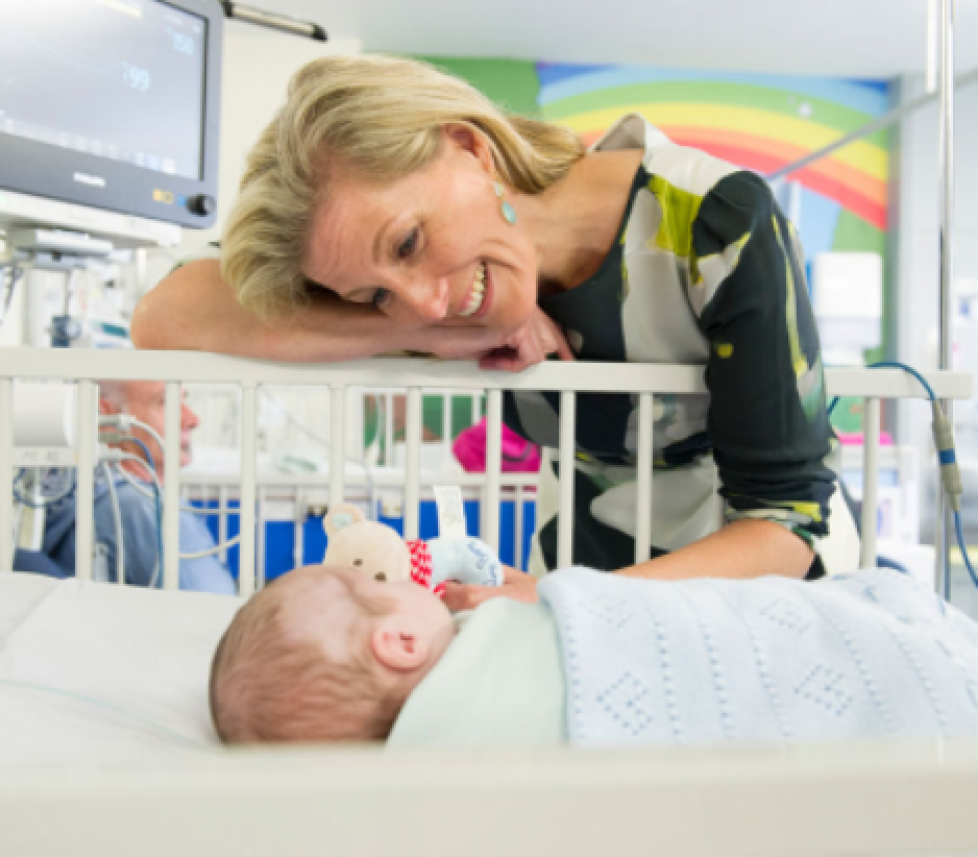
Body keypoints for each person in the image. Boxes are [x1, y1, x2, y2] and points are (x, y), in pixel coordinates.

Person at [132, 54, 859, 605]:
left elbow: (785, 525)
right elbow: (163, 316)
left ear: (469, 148)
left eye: (409, 242)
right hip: (578, 595)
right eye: (373, 295)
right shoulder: (432, 298)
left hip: (758, 604)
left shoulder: (710, 221)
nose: (424, 304)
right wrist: (428, 335)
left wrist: (546, 602)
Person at [210, 564, 978, 747]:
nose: (406, 582)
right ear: (401, 642)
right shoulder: (493, 640)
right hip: (864, 670)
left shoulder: (433, 774)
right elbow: (647, 619)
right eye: (375, 580)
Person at [43, 380, 237, 594]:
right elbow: (218, 613)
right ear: (104, 417)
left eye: (184, 400)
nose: (192, 419)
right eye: (166, 402)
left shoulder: (75, 497)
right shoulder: (143, 508)